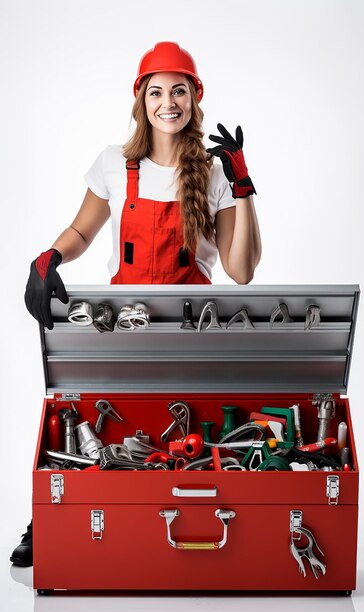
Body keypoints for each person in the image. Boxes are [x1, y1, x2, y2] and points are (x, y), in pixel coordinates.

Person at [11, 41, 261, 566]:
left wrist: (243, 186)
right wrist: (51, 256)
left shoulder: (214, 173)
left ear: (195, 97)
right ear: (140, 100)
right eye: (156, 91)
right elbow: (82, 229)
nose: (167, 102)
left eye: (179, 90)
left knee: (188, 434)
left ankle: (180, 524)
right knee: (94, 421)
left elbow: (241, 271)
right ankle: (55, 515)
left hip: (191, 332)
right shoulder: (114, 165)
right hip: (121, 325)